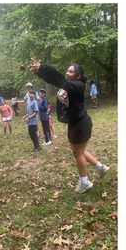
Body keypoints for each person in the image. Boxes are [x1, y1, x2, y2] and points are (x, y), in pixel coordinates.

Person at [29, 59, 110, 193]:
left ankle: (84, 182)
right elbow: (55, 80)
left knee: (77, 152)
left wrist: (43, 68)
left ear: (78, 76)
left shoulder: (77, 85)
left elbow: (59, 78)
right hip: (75, 123)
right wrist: (40, 72)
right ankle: (100, 167)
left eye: (71, 72)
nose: (67, 73)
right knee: (79, 150)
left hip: (80, 123)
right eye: (67, 70)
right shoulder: (69, 84)